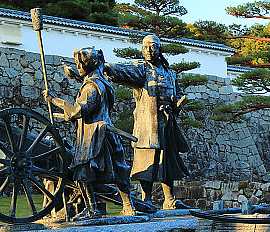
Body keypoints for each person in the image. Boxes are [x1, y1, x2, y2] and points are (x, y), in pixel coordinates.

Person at [44, 47, 135, 220]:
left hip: (93, 135)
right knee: (119, 170)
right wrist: (76, 76)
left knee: (82, 172)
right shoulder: (102, 81)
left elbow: (81, 109)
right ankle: (128, 206)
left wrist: (54, 99)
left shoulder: (92, 86)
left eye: (80, 64)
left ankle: (93, 209)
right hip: (105, 131)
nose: (78, 66)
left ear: (92, 63)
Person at [104, 34, 189, 209]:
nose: (149, 50)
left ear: (160, 49)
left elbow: (178, 92)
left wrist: (176, 103)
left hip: (167, 122)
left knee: (167, 162)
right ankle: (147, 199)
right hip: (148, 124)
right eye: (145, 47)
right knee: (147, 160)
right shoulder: (142, 69)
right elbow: (124, 71)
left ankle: (170, 200)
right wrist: (106, 67)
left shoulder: (169, 73)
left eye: (153, 46)